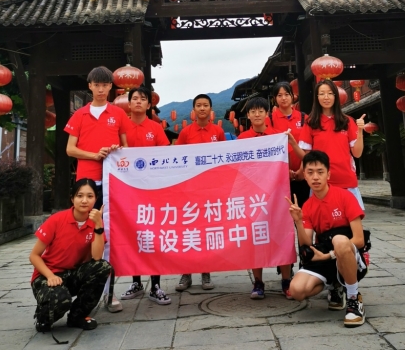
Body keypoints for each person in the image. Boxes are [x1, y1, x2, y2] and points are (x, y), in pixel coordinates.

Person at [287, 150, 368, 327]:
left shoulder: (345, 196)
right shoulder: (308, 206)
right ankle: (335, 285)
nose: (315, 177)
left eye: (320, 172)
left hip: (348, 253)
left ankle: (354, 298)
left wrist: (329, 255)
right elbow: (306, 244)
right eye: (310, 172)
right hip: (324, 253)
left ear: (328, 174)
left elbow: (359, 239)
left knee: (339, 240)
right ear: (304, 176)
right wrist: (298, 222)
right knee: (297, 291)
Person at [29, 179, 112, 338]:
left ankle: (77, 316)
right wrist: (50, 276)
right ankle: (43, 316)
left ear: (95, 199)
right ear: (72, 199)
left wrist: (98, 226)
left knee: (102, 267)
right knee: (61, 301)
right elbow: (34, 256)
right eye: (80, 196)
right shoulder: (57, 220)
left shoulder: (95, 222)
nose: (84, 200)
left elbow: (96, 257)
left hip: (73, 275)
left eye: (90, 196)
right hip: (47, 276)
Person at [120, 86, 172, 305]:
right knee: (133, 234)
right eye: (135, 98)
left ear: (149, 104)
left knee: (153, 235)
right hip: (128, 190)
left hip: (152, 190)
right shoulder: (121, 127)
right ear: (129, 103)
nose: (139, 102)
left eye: (143, 99)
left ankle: (156, 285)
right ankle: (136, 282)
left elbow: (165, 155)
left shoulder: (155, 128)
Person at [237, 96, 293, 300]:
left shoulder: (278, 136)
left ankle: (286, 280)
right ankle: (258, 282)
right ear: (248, 115)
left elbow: (285, 161)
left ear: (267, 113)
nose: (257, 114)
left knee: (283, 234)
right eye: (253, 111)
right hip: (252, 196)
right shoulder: (242, 139)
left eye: (261, 110)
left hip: (277, 194)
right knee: (255, 237)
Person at [175, 93, 226, 292]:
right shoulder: (185, 133)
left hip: (210, 190)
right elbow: (177, 158)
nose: (202, 108)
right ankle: (186, 274)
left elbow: (224, 158)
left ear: (210, 109)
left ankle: (206, 272)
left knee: (207, 231)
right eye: (199, 105)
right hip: (189, 190)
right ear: (193, 110)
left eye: (205, 105)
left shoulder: (218, 132)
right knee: (188, 232)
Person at [65, 65, 130, 208]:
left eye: (105, 85)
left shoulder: (119, 113)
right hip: (87, 177)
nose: (101, 89)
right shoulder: (79, 115)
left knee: (112, 216)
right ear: (90, 86)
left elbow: (126, 146)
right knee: (87, 214)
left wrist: (117, 149)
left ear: (110, 86)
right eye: (97, 85)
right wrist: (95, 156)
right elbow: (70, 150)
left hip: (113, 175)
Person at [295, 79, 366, 208]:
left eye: (329, 93)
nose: (326, 97)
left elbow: (357, 153)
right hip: (320, 184)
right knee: (321, 219)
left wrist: (360, 131)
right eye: (322, 94)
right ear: (317, 97)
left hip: (346, 181)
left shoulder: (347, 121)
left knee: (352, 219)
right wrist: (293, 144)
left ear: (335, 96)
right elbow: (306, 157)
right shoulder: (311, 123)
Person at [268, 81, 310, 207]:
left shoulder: (303, 118)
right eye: (279, 95)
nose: (283, 98)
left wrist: (302, 169)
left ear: (292, 96)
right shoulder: (270, 120)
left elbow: (309, 145)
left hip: (303, 174)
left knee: (304, 211)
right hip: (279, 176)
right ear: (275, 98)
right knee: (283, 212)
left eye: (286, 94)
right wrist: (285, 170)